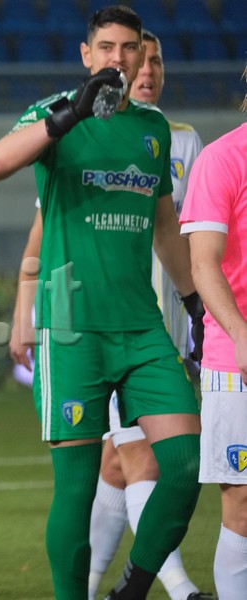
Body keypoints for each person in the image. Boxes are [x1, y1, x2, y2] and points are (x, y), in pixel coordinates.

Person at [0, 6, 203, 599]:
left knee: (186, 465)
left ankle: (132, 588)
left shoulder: (153, 129)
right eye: (106, 47)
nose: (118, 58)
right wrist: (71, 114)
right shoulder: (53, 114)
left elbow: (166, 228)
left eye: (129, 48)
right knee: (77, 490)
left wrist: (194, 303)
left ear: (141, 55)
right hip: (70, 325)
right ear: (87, 55)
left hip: (141, 325)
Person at [179, 69, 247, 600]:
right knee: (242, 504)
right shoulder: (221, 159)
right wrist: (242, 335)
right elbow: (203, 265)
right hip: (235, 356)